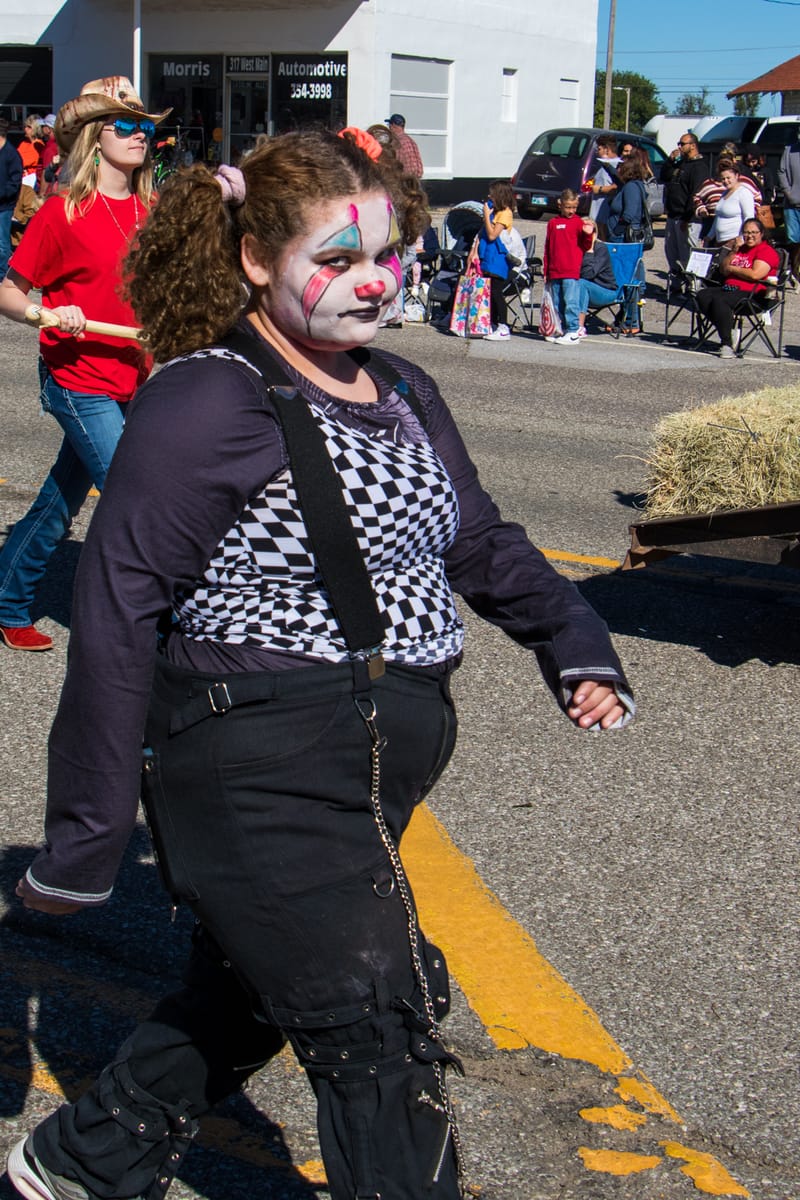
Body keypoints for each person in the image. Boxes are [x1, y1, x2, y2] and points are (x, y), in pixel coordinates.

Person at [7, 127, 633, 1200]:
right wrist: (87, 835)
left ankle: (80, 1161)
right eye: (334, 260)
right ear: (255, 259)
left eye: (383, 257)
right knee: (376, 1021)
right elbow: (117, 611)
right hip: (253, 761)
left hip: (371, 758)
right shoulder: (206, 396)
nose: (371, 283)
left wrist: (573, 641)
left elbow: (473, 536)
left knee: (258, 987)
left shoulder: (397, 386)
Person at [0, 76, 168, 652]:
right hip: (78, 378)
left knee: (57, 501)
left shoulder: (151, 207)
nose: (140, 135)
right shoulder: (60, 213)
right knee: (134, 496)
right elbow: (9, 291)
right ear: (95, 137)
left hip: (133, 376)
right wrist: (46, 313)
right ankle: (160, 628)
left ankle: (8, 598)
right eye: (127, 125)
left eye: (145, 126)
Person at [694, 218, 780, 358]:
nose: (749, 236)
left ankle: (726, 344)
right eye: (746, 232)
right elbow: (723, 270)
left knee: (720, 300)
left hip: (753, 294)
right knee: (702, 295)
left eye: (753, 232)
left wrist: (733, 268)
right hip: (730, 288)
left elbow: (755, 275)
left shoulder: (766, 251)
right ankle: (728, 328)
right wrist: (734, 251)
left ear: (761, 233)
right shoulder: (741, 249)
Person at [543, 188, 594, 345]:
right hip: (555, 270)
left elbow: (585, 246)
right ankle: (559, 328)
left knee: (571, 301)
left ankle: (573, 330)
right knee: (557, 302)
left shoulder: (579, 223)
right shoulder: (553, 223)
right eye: (568, 207)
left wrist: (588, 233)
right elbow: (548, 248)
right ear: (561, 205)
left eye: (574, 207)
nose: (571, 211)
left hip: (571, 270)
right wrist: (546, 270)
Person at [660, 132, 708, 280]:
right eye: (679, 144)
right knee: (671, 251)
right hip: (673, 215)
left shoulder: (699, 167)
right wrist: (670, 160)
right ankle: (675, 285)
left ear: (693, 145)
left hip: (687, 218)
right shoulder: (681, 163)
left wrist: (686, 218)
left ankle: (691, 285)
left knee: (687, 253)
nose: (679, 147)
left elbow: (695, 194)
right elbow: (664, 176)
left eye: (682, 144)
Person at [477, 178, 514, 340]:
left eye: (492, 195)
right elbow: (482, 233)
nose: (489, 198)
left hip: (498, 259)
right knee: (489, 292)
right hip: (488, 257)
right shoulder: (496, 213)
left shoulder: (505, 214)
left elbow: (492, 235)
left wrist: (486, 215)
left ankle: (503, 326)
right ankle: (491, 322)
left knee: (497, 292)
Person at [576, 218, 618, 336]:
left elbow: (589, 274)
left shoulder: (600, 248)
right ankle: (559, 322)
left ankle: (579, 326)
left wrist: (589, 250)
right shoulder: (577, 247)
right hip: (585, 289)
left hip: (606, 291)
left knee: (581, 283)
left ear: (594, 233)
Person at [707, 164, 755, 249]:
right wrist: (709, 236)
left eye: (728, 178)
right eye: (723, 179)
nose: (726, 181)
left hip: (734, 241)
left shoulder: (743, 193)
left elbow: (749, 217)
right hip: (720, 242)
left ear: (736, 176)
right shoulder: (724, 193)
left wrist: (742, 238)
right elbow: (718, 217)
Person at [0, 117, 23, 279]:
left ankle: (2, 276)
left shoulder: (11, 155)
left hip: (4, 207)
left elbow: (14, 184)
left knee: (2, 244)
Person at [605, 157, 647, 243]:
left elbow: (629, 215)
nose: (618, 169)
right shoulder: (628, 184)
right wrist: (607, 166)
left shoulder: (631, 187)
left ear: (627, 169)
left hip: (623, 237)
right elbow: (616, 178)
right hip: (620, 235)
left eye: (620, 167)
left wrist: (616, 232)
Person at [778, 133, 800, 287]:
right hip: (792, 205)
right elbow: (781, 172)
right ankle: (794, 272)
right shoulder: (789, 150)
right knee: (793, 241)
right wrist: (789, 192)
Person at [589, 135, 620, 227]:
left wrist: (599, 189)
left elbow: (618, 187)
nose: (597, 152)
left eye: (599, 149)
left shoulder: (616, 165)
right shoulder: (604, 165)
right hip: (597, 214)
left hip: (605, 215)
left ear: (606, 150)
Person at [385, 113, 423, 178]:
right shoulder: (411, 141)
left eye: (389, 125)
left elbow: (395, 163)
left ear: (393, 125)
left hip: (404, 180)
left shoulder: (397, 142)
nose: (389, 128)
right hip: (416, 180)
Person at [19, 114, 45, 189]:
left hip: (29, 183)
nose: (25, 129)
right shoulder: (24, 143)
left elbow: (20, 162)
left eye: (29, 127)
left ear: (36, 129)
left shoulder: (38, 145)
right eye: (25, 126)